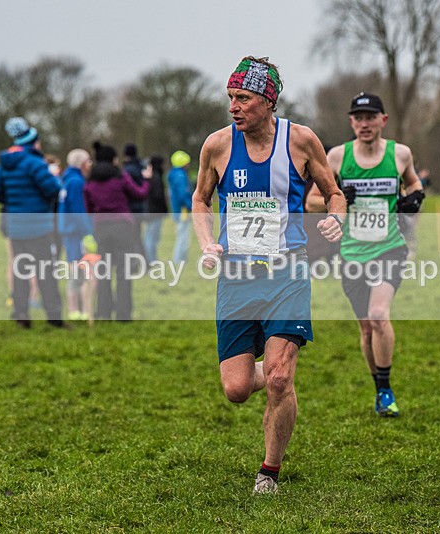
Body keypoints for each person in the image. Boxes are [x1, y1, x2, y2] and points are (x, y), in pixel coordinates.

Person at [192, 56, 345, 495]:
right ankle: (270, 366)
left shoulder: (301, 141)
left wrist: (336, 219)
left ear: (268, 101)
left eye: (243, 99)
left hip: (288, 272)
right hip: (237, 277)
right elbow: (201, 200)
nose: (233, 107)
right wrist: (207, 242)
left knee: (279, 378)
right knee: (237, 389)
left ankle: (269, 472)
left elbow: (334, 194)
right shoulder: (217, 145)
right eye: (230, 98)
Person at [306, 91, 425, 418]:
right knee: (366, 329)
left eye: (371, 117)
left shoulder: (400, 155)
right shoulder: (336, 157)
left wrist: (415, 199)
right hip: (352, 252)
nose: (364, 123)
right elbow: (312, 202)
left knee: (378, 315)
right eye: (358, 118)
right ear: (351, 122)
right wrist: (340, 195)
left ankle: (386, 390)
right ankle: (379, 387)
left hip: (389, 247)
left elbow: (414, 185)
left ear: (383, 120)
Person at [0, 117, 67, 329]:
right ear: (33, 142)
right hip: (39, 227)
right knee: (45, 273)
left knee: (20, 273)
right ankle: (54, 316)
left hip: (16, 227)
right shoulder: (35, 162)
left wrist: (14, 201)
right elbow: (53, 189)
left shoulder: (4, 164)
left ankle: (21, 313)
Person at [83, 141, 150, 321]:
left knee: (104, 272)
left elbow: (88, 209)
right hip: (123, 227)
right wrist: (147, 180)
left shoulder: (90, 182)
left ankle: (104, 312)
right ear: (113, 160)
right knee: (123, 271)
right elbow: (140, 193)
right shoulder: (121, 177)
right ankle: (123, 314)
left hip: (101, 228)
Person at [57, 148, 94, 320]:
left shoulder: (67, 180)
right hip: (76, 233)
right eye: (88, 161)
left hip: (68, 232)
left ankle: (75, 310)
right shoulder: (77, 182)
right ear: (82, 163)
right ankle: (79, 310)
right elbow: (79, 211)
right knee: (80, 273)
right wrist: (88, 233)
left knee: (75, 270)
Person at [168, 150, 194, 264]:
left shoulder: (174, 173)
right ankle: (179, 260)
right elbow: (182, 194)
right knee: (183, 236)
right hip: (182, 209)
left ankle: (181, 258)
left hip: (177, 209)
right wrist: (190, 206)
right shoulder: (180, 175)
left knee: (183, 234)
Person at [142, 154, 168, 265]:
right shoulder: (156, 177)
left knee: (151, 236)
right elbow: (158, 196)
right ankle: (151, 260)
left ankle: (152, 258)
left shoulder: (152, 177)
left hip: (152, 212)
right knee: (151, 237)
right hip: (156, 212)